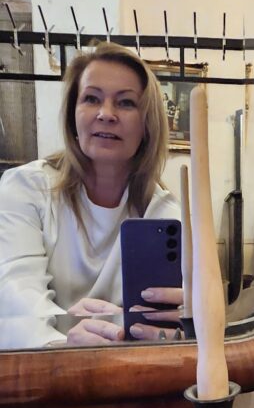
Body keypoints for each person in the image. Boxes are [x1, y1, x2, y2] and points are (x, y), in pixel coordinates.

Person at [0, 41, 182, 349]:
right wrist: (65, 348)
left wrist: (183, 327)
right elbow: (15, 301)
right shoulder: (25, 189)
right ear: (73, 116)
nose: (106, 114)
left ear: (147, 125)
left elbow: (175, 326)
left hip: (131, 371)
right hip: (43, 371)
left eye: (126, 102)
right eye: (91, 98)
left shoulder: (167, 214)